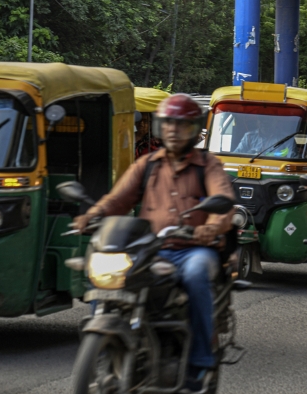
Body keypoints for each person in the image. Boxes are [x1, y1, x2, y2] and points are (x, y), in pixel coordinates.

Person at [72, 94, 234, 393]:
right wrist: (92, 215)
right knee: (108, 278)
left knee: (197, 275)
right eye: (168, 123)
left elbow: (224, 203)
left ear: (195, 129)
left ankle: (199, 362)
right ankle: (105, 343)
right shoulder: (146, 164)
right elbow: (118, 199)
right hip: (149, 247)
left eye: (181, 124)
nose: (173, 130)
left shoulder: (208, 165)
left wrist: (209, 229)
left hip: (193, 249)